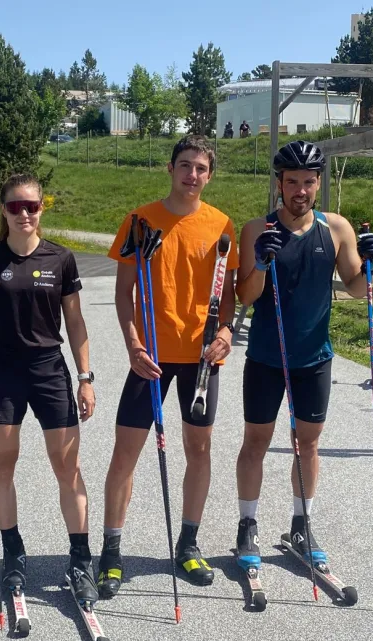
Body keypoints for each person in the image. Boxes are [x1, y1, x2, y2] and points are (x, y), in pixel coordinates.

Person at [97, 135, 239, 596]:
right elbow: (123, 294)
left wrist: (225, 331)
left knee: (199, 450)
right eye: (184, 166)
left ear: (209, 174)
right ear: (170, 168)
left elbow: (228, 292)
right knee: (126, 453)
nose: (191, 175)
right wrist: (133, 344)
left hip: (200, 359)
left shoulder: (221, 226)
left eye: (200, 168)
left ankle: (188, 544)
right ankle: (111, 550)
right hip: (150, 358)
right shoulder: (140, 220)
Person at [232, 140, 373, 571]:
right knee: (256, 443)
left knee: (307, 444)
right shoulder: (255, 230)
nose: (300, 190)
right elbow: (246, 296)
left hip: (314, 357)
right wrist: (261, 262)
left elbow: (356, 287)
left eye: (309, 182)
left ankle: (302, 522)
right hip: (265, 356)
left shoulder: (335, 228)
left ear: (319, 185)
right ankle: (247, 524)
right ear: (279, 184)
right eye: (292, 181)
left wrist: (371, 263)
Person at [0, 174, 99, 605]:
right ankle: (14, 554)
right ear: (3, 209)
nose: (24, 214)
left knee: (67, 468)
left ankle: (80, 559)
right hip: (3, 374)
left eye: (32, 206)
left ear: (43, 208)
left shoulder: (62, 258)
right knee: (4, 466)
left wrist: (85, 378)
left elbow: (75, 324)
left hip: (49, 371)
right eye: (15, 206)